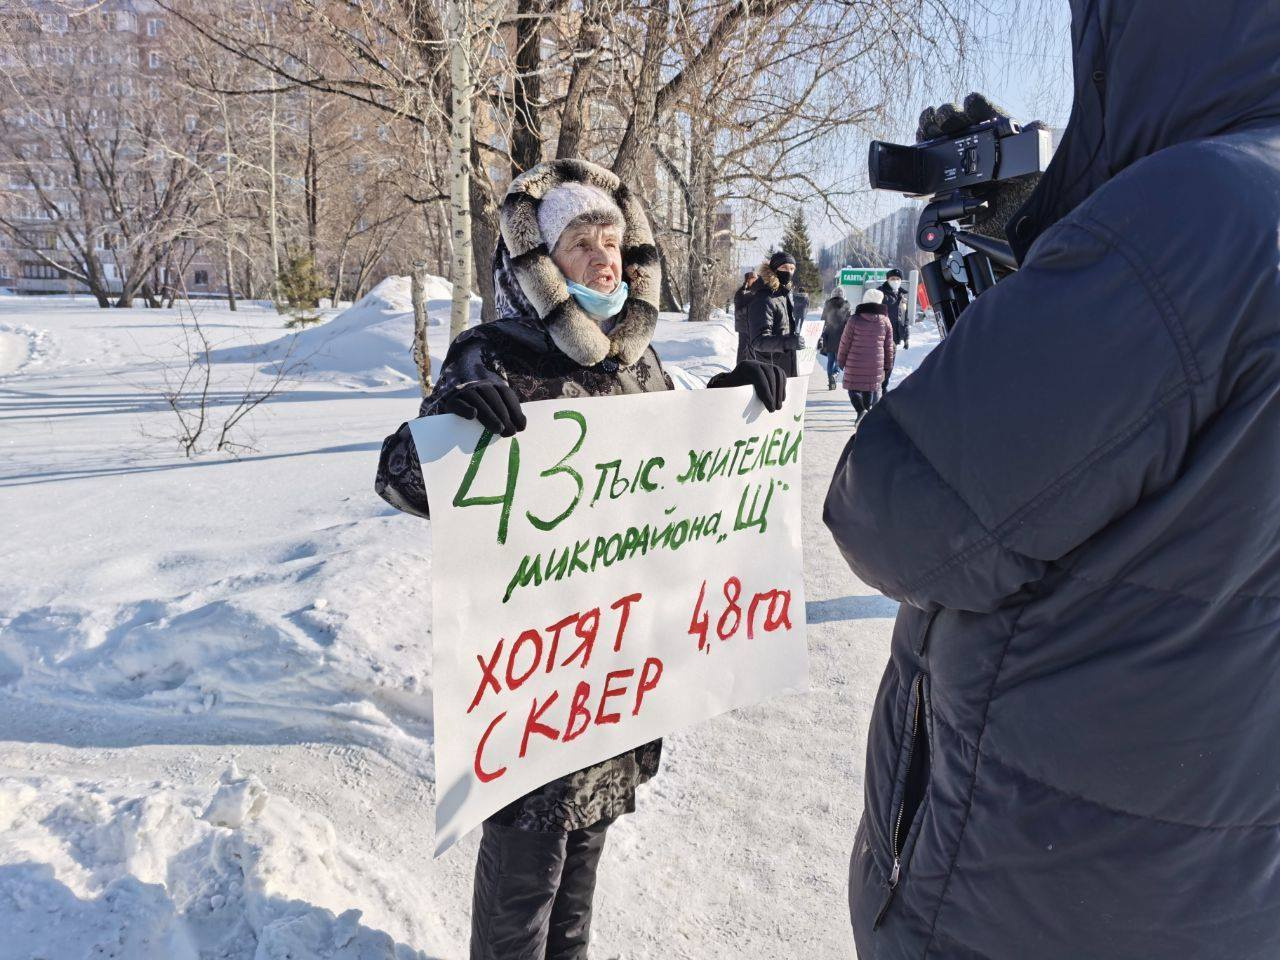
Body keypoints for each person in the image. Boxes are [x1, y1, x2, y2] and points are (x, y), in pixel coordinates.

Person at [823, 1, 1280, 953]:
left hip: (1039, 886)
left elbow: (900, 511)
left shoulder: (1195, 211)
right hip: (1230, 879)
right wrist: (1055, 248)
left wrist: (1089, 252)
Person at [374, 158, 785, 960]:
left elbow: (681, 484)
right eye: (582, 244)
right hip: (530, 674)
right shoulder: (491, 352)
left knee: (584, 864)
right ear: (538, 263)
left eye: (616, 242)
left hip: (615, 666)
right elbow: (398, 481)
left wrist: (736, 412)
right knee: (525, 875)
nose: (607, 259)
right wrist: (449, 429)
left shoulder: (640, 364)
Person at [834, 287, 893, 423]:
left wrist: (841, 360)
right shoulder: (885, 321)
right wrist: (887, 366)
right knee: (869, 389)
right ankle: (864, 419)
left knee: (852, 388)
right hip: (875, 364)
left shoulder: (854, 319)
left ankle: (861, 411)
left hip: (855, 362)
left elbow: (844, 342)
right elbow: (888, 346)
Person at [746, 251, 801, 377]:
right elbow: (758, 341)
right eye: (784, 267)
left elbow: (783, 330)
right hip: (768, 371)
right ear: (774, 269)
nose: (789, 272)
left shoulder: (782, 295)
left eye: (792, 269)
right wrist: (788, 342)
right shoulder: (764, 298)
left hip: (783, 369)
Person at [818, 286, 850, 389]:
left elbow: (823, 320)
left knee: (830, 359)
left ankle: (830, 379)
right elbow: (849, 322)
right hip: (842, 336)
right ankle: (835, 374)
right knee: (839, 360)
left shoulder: (828, 305)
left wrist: (821, 334)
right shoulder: (846, 305)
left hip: (829, 335)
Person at [878, 268, 910, 349]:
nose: (895, 281)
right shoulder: (880, 293)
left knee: (890, 361)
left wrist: (906, 337)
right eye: (892, 279)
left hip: (895, 337)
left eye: (898, 279)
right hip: (882, 337)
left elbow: (905, 318)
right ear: (887, 280)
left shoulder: (902, 296)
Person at [732, 270, 756, 363]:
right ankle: (740, 369)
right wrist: (750, 307)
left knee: (754, 349)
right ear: (747, 280)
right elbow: (738, 312)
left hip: (754, 325)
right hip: (743, 326)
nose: (754, 281)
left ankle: (753, 368)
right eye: (752, 279)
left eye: (755, 279)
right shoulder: (740, 293)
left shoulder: (756, 292)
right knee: (743, 349)